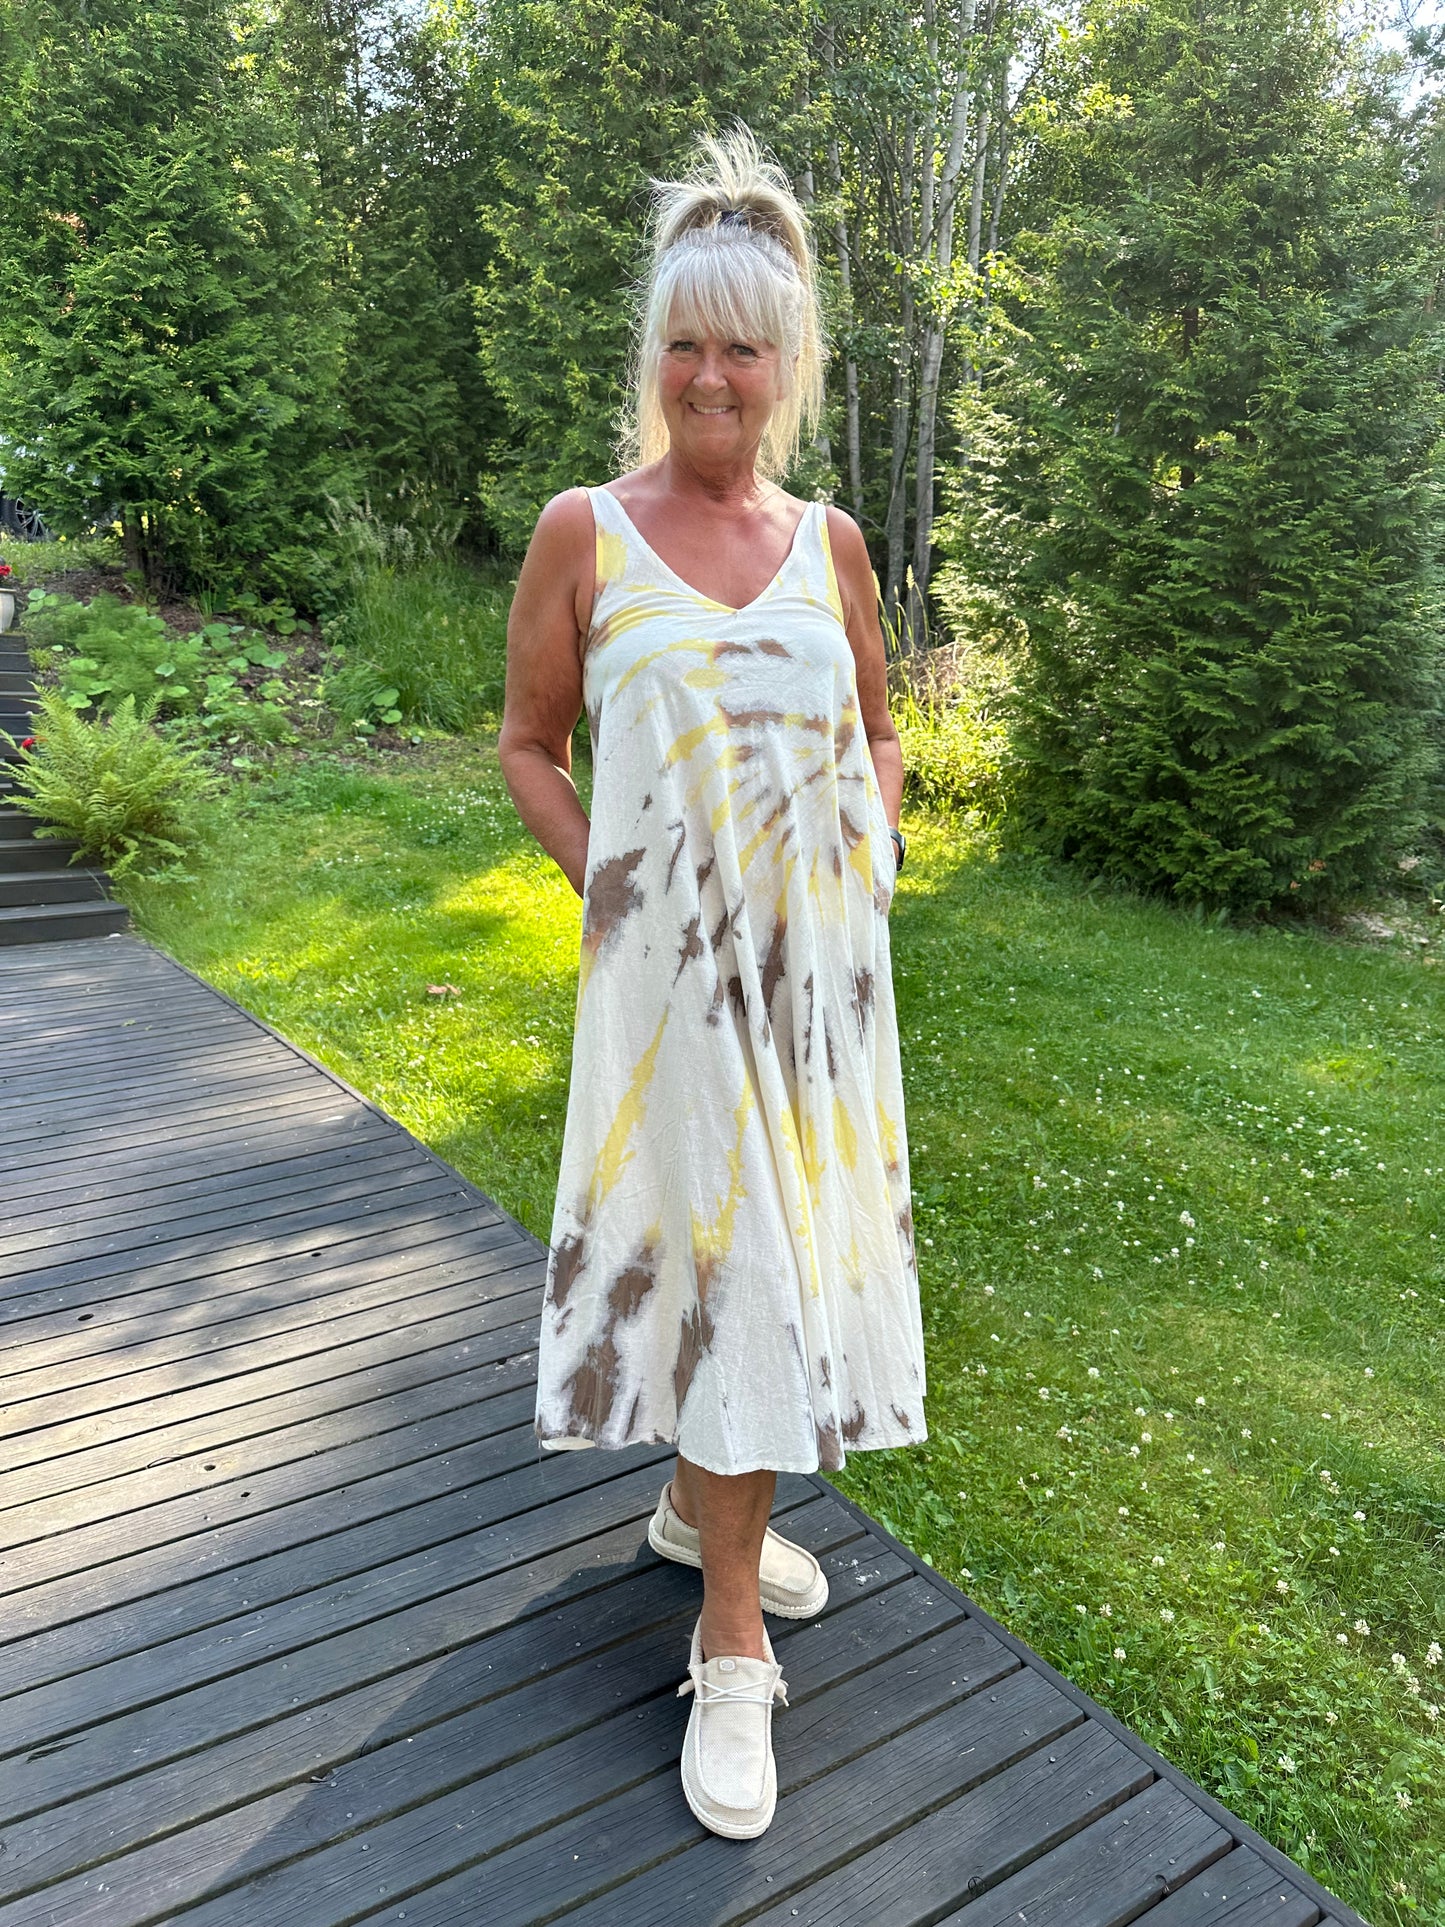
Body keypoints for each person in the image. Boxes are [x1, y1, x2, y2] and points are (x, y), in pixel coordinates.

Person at [499, 124, 926, 1841]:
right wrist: (614, 890)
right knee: (714, 1253)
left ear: (785, 362)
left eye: (740, 345)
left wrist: (867, 855)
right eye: (682, 342)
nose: (707, 376)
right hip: (667, 988)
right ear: (653, 355)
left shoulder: (831, 545)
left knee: (763, 1256)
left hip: (817, 990)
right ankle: (730, 1644)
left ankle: (699, 1524)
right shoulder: (586, 533)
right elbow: (527, 746)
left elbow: (879, 731)